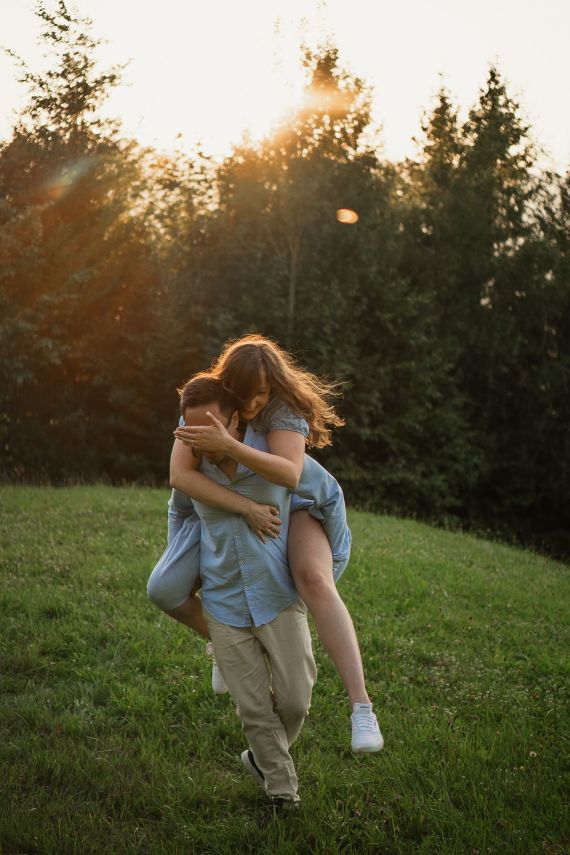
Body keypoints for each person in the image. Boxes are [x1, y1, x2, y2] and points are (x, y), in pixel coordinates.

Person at [148, 335, 382, 752]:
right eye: (246, 393)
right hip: (238, 503)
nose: (255, 402)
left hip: (298, 504)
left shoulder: (282, 409)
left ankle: (361, 708)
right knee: (166, 588)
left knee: (313, 577)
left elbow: (291, 476)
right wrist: (241, 505)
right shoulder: (210, 402)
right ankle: (223, 646)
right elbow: (180, 475)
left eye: (263, 391)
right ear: (228, 385)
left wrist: (229, 446)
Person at [172, 374, 317, 809]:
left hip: (277, 595)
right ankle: (281, 792)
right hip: (223, 599)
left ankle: (261, 757)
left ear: (235, 419)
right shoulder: (191, 458)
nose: (199, 439)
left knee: (295, 700)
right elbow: (178, 478)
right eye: (190, 430)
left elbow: (303, 482)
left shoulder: (268, 447)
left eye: (209, 429)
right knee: (254, 709)